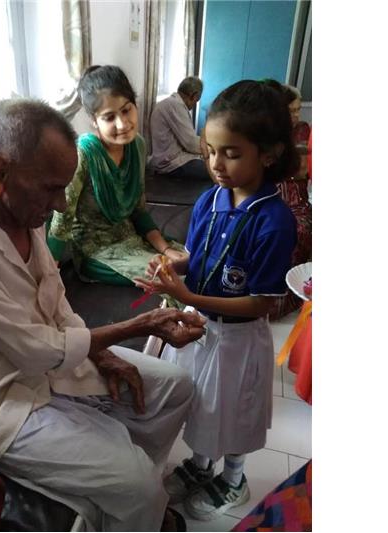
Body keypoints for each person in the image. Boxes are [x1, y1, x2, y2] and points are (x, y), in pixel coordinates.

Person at [0, 98, 208, 531]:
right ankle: (135, 493)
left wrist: (100, 351)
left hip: (50, 366)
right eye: (52, 189)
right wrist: (140, 324)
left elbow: (56, 301)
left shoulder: (22, 211)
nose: (60, 206)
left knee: (175, 388)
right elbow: (32, 350)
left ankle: (128, 496)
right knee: (137, 484)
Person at [134, 80, 298, 521]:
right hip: (198, 326)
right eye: (209, 151)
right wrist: (172, 267)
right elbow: (198, 258)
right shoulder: (209, 200)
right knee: (203, 404)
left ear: (268, 154)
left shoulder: (274, 221)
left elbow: (261, 304)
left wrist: (186, 295)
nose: (216, 164)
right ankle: (201, 466)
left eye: (231, 153)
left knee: (234, 410)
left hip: (238, 339)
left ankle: (235, 479)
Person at [48, 65, 186, 286]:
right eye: (109, 117)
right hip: (97, 252)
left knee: (198, 264)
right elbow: (61, 221)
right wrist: (46, 277)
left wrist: (166, 249)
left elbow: (139, 211)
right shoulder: (83, 154)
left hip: (133, 238)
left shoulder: (137, 146)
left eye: (126, 110)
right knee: (174, 280)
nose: (122, 124)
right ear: (94, 120)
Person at [267, 83, 312, 320]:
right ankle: (265, 301)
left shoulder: (303, 131)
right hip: (273, 197)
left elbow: (304, 169)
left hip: (298, 200)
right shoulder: (267, 135)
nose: (295, 115)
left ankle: (290, 298)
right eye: (290, 110)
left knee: (300, 229)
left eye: (297, 110)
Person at [148, 76, 209, 181]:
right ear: (193, 96)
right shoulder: (175, 105)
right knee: (216, 169)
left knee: (211, 162)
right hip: (171, 164)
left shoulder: (169, 103)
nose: (194, 105)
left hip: (169, 159)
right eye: (196, 101)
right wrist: (212, 148)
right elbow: (191, 144)